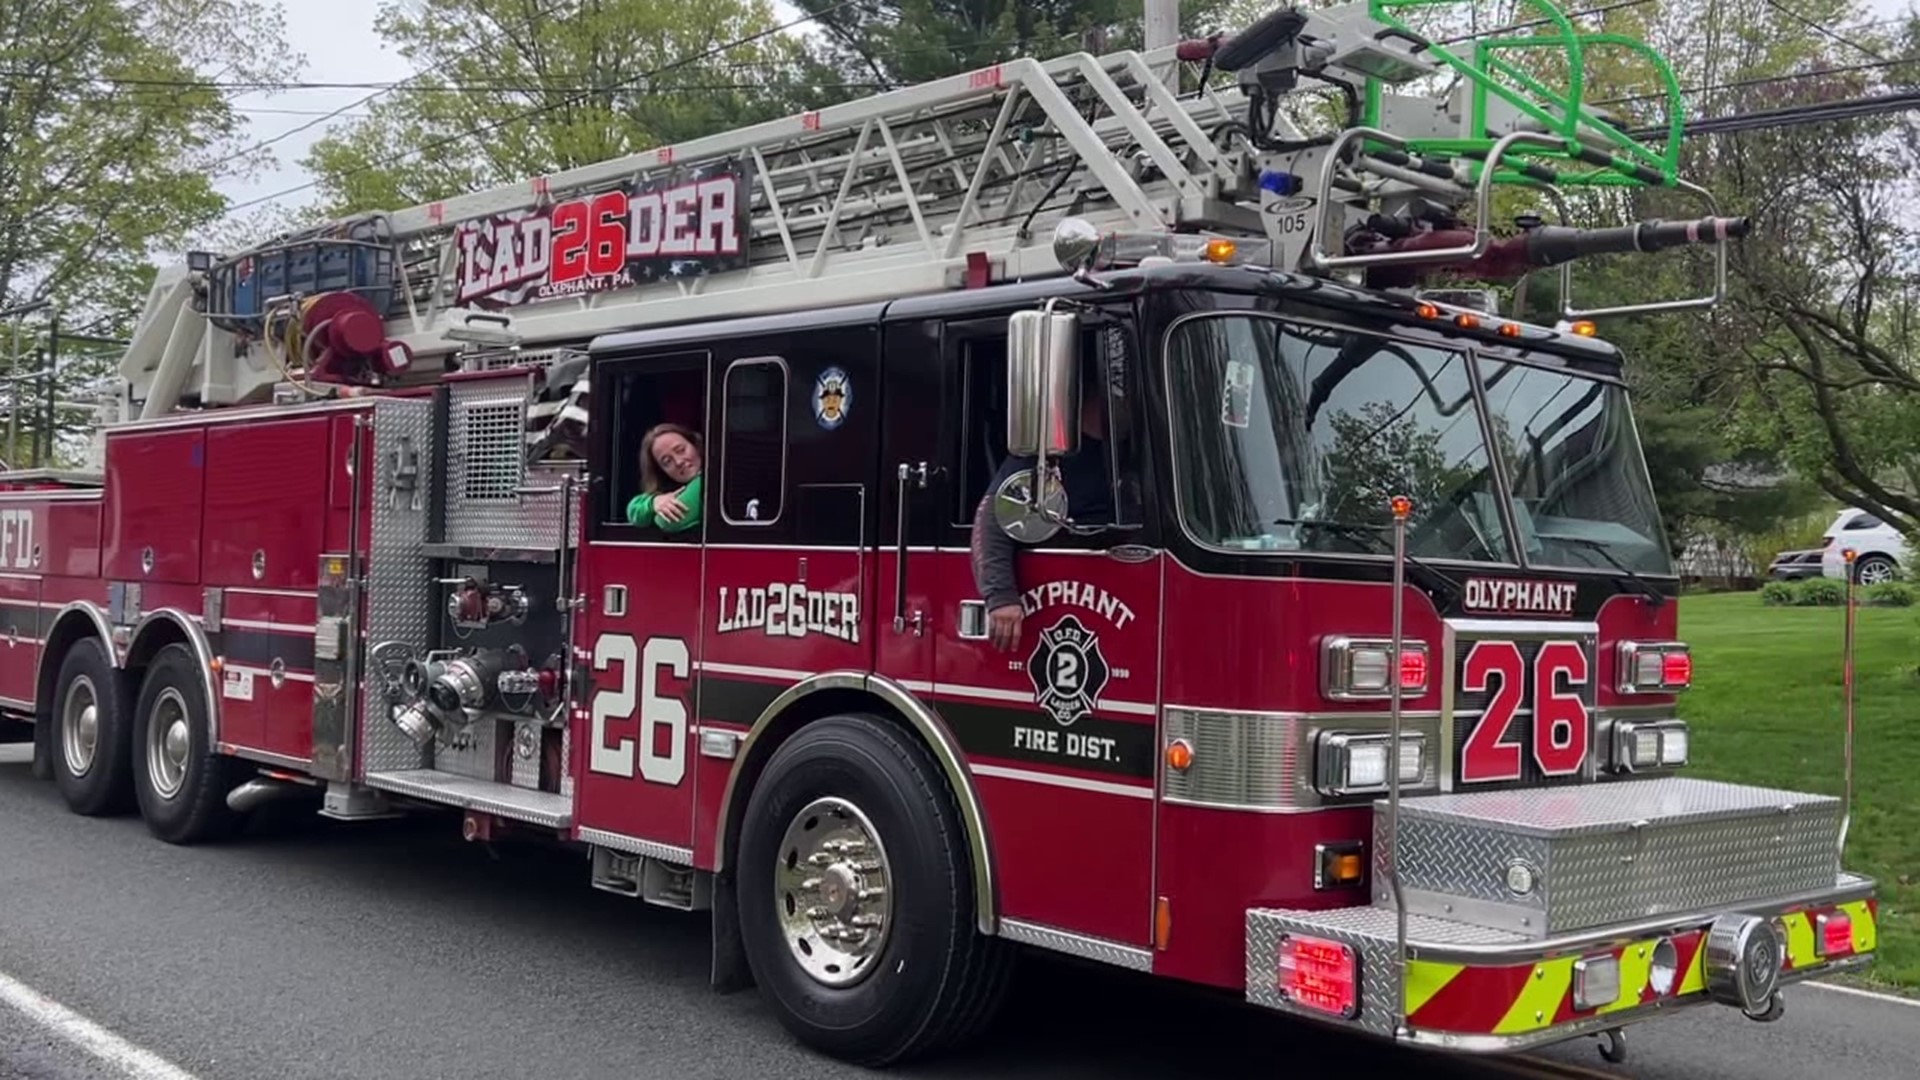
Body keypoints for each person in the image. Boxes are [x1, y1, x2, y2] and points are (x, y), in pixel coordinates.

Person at [970, 390, 1111, 652]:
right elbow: (991, 520)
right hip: (1066, 585)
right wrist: (1001, 597)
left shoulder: (1140, 454)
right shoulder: (1044, 456)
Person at [627, 422, 704, 532]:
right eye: (667, 461)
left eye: (681, 450)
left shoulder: (710, 480)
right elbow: (633, 509)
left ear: (695, 445)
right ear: (661, 472)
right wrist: (653, 502)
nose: (678, 462)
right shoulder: (670, 488)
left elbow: (666, 521)